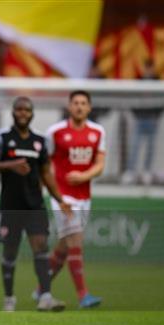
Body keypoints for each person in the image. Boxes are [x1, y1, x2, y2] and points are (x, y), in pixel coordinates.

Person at [0, 97, 70, 312]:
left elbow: (46, 173)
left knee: (41, 247)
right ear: (13, 112)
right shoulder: (2, 138)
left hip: (35, 205)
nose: (23, 113)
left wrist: (60, 199)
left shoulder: (40, 141)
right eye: (19, 109)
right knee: (10, 252)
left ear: (32, 114)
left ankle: (45, 296)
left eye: (27, 110)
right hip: (11, 205)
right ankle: (9, 299)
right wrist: (13, 164)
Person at [43, 90, 106, 308]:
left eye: (83, 103)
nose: (79, 106)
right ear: (69, 107)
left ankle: (42, 287)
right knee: (76, 241)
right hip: (62, 196)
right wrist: (52, 193)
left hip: (84, 196)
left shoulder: (98, 132)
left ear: (89, 107)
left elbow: (100, 164)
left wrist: (83, 176)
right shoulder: (56, 132)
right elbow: (45, 165)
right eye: (75, 103)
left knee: (64, 246)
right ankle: (83, 295)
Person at [121, 59, 162, 185]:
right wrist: (136, 114)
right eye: (147, 67)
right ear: (144, 68)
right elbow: (133, 99)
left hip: (152, 120)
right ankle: (130, 171)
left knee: (150, 147)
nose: (149, 70)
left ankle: (146, 171)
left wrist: (156, 115)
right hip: (140, 119)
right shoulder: (138, 81)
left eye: (151, 67)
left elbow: (162, 101)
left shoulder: (158, 82)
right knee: (135, 146)